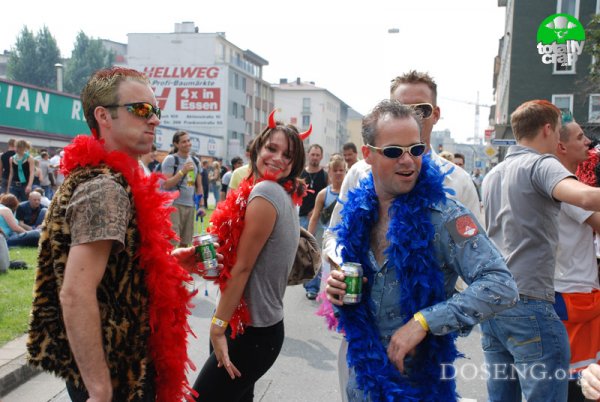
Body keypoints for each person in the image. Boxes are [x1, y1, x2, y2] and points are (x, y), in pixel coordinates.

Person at [27, 67, 206, 402]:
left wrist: (172, 260)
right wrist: (99, 389)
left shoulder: (109, 178)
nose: (153, 120)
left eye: (156, 111)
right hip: (120, 373)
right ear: (103, 116)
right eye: (140, 110)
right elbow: (75, 293)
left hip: (123, 363)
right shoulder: (105, 189)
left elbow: (114, 268)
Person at [325, 100, 518, 401]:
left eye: (415, 150)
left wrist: (424, 322)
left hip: (420, 387)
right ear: (368, 155)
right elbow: (342, 262)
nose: (408, 161)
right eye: (393, 151)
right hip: (362, 380)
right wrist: (337, 287)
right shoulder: (358, 213)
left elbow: (501, 285)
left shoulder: (444, 216)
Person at [481, 100, 600, 402]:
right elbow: (584, 198)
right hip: (532, 302)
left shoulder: (494, 174)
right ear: (548, 129)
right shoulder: (541, 164)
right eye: (559, 131)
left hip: (494, 303)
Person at [192, 111, 308, 401]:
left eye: (288, 155)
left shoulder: (267, 192)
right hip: (254, 329)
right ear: (258, 148)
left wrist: (218, 327)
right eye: (272, 148)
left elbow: (243, 268)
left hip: (249, 333)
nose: (278, 158)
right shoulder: (275, 192)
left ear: (295, 164)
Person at [553, 117, 600, 401]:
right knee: (575, 378)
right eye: (580, 137)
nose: (588, 142)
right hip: (572, 293)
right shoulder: (566, 185)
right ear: (561, 146)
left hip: (571, 291)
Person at [303, 155, 346, 299]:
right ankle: (312, 288)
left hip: (344, 237)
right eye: (336, 170)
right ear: (330, 172)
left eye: (341, 170)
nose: (339, 173)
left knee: (338, 266)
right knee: (318, 262)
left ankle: (338, 294)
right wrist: (309, 238)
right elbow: (314, 218)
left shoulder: (350, 193)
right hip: (325, 236)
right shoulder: (323, 194)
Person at [161, 131, 202, 247]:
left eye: (188, 141)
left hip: (190, 205)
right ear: (176, 144)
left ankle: (181, 266)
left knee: (185, 241)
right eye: (183, 141)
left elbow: (198, 185)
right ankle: (171, 265)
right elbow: (166, 185)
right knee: (173, 241)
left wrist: (201, 206)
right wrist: (182, 171)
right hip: (174, 205)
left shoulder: (195, 161)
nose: (187, 143)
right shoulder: (171, 160)